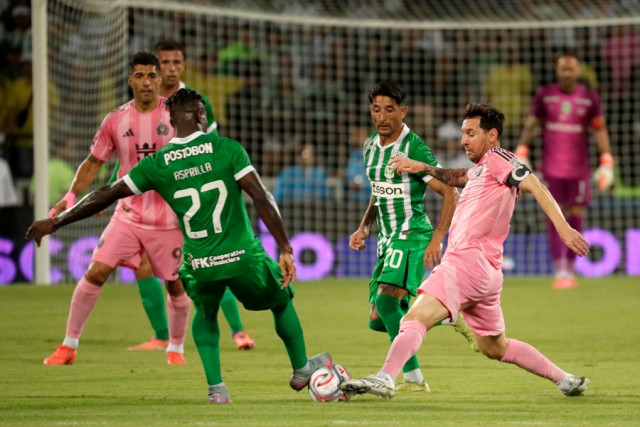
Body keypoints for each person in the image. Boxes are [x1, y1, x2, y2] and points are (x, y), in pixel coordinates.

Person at [26, 88, 331, 403]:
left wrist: (56, 222)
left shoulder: (157, 163)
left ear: (170, 122)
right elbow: (261, 197)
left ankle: (217, 390)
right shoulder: (227, 148)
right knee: (281, 300)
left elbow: (105, 194)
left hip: (199, 263)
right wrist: (285, 248)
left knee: (206, 313)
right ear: (201, 115)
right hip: (242, 255)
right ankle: (301, 370)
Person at [341, 103, 591, 400]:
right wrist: (423, 167)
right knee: (495, 347)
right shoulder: (484, 168)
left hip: (466, 262)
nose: (463, 141)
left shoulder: (501, 159)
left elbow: (535, 184)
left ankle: (386, 377)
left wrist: (564, 228)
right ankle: (565, 380)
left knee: (412, 319)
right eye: (463, 133)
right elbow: (459, 176)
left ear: (492, 135)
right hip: (487, 273)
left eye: (471, 133)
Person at [43, 52, 191, 366]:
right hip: (128, 214)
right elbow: (94, 161)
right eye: (140, 76)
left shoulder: (177, 116)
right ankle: (68, 346)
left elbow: (196, 160)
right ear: (130, 81)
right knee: (96, 271)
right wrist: (71, 196)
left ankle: (175, 349)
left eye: (151, 76)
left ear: (159, 79)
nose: (146, 82)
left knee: (176, 284)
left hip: (169, 218)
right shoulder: (115, 120)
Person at [107, 40, 255, 352]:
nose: (171, 68)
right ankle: (162, 336)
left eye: (176, 62)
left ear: (183, 65)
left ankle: (238, 331)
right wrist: (112, 186)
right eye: (165, 62)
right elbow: (129, 156)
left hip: (189, 193)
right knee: (144, 264)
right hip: (149, 197)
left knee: (210, 259)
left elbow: (213, 147)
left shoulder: (195, 102)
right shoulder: (143, 105)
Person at [348, 80, 476, 394]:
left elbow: (451, 191)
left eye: (389, 110)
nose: (382, 117)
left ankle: (413, 379)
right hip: (386, 239)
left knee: (386, 301)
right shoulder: (369, 146)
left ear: (403, 112)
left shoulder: (414, 148)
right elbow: (379, 192)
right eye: (376, 109)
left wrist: (437, 238)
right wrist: (364, 226)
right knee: (378, 318)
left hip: (412, 233)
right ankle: (445, 315)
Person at [515, 53, 613, 289]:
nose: (567, 73)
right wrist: (522, 149)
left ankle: (570, 269)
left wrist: (607, 159)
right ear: (557, 71)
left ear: (578, 72)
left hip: (579, 170)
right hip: (551, 169)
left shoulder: (589, 98)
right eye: (563, 69)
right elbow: (532, 123)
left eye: (571, 69)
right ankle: (560, 269)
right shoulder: (545, 95)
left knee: (576, 217)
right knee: (554, 217)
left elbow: (599, 129)